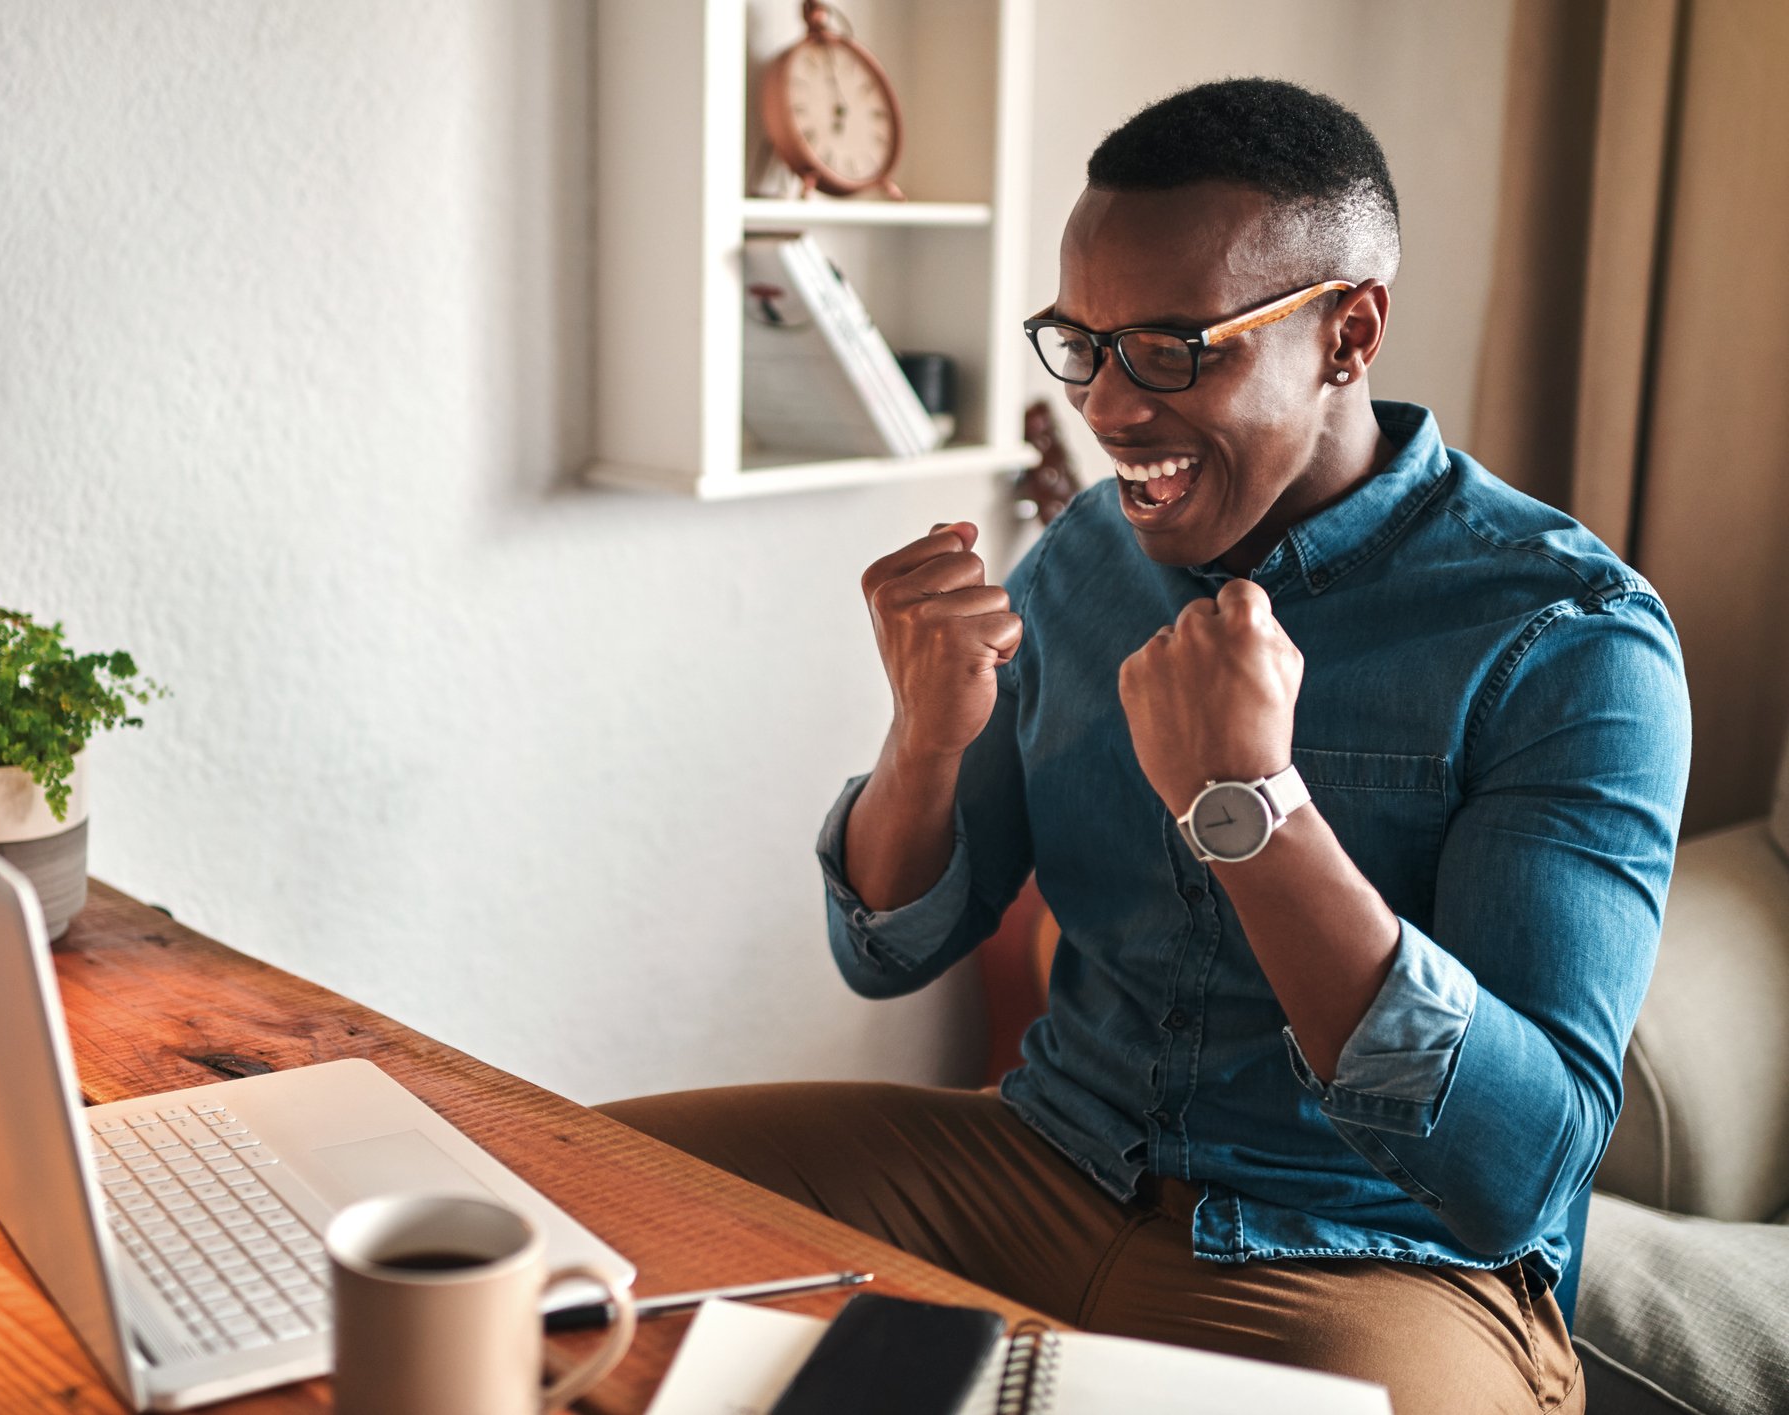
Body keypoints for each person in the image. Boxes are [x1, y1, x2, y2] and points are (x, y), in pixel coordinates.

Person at [601, 78, 1690, 1413]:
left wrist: (1254, 811)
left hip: (1371, 1259)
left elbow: (1516, 1168)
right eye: (1084, 342)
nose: (1108, 408)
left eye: (1177, 348)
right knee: (556, 1198)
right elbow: (887, 949)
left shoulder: (1569, 639)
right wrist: (925, 744)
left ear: (1350, 332)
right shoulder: (1083, 562)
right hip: (1042, 1163)